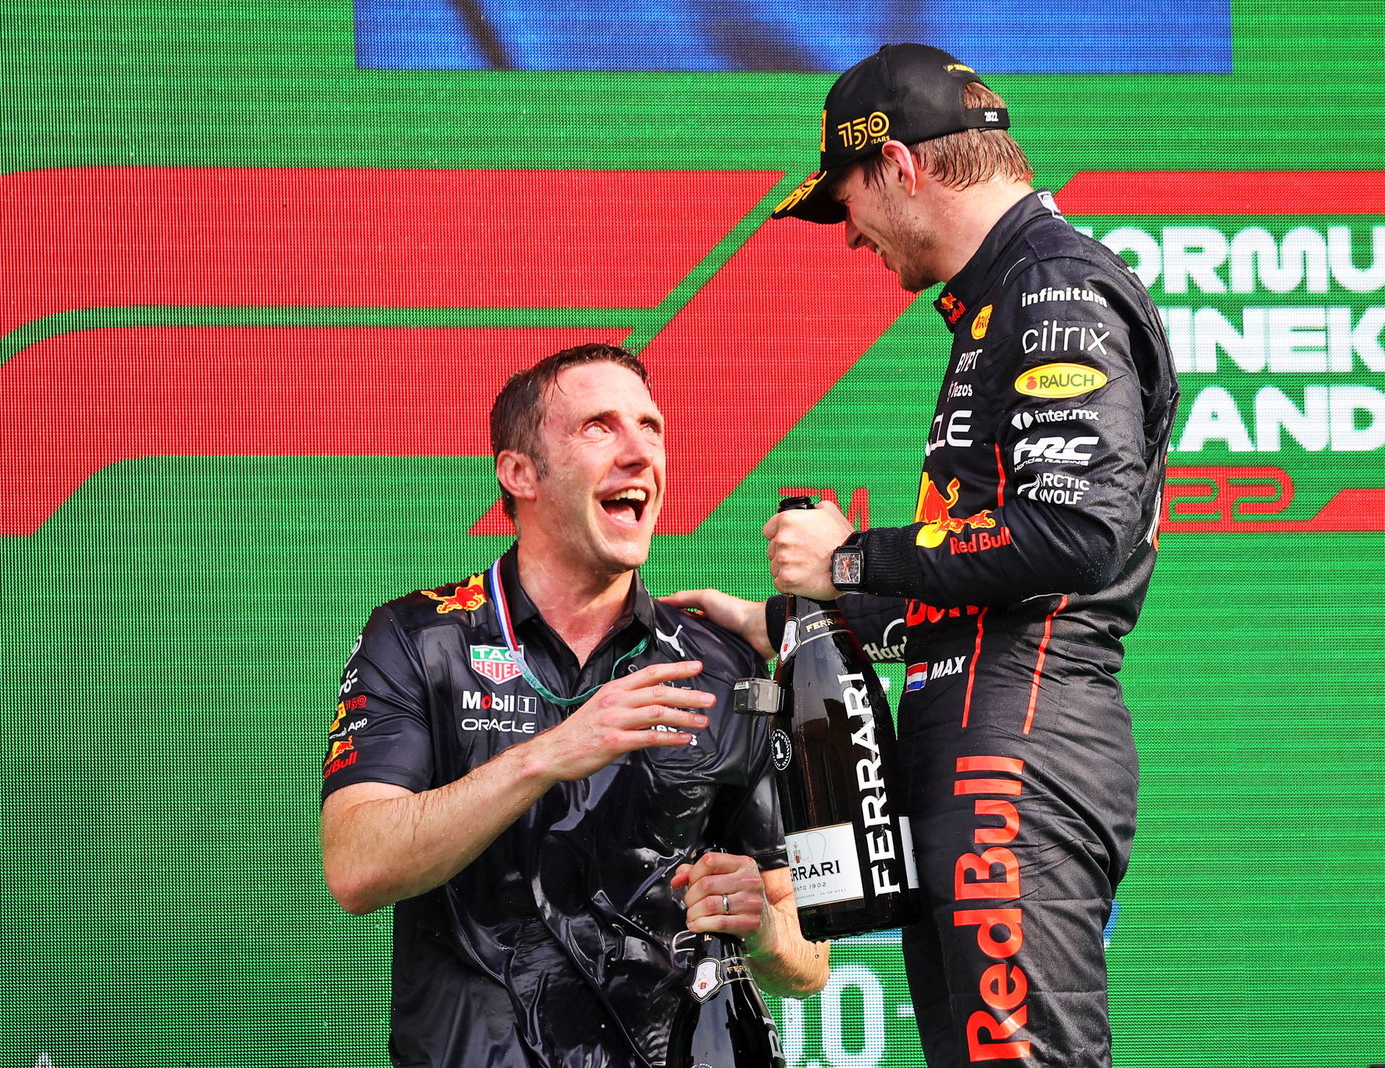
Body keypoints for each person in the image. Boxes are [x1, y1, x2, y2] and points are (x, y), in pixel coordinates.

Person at [665, 44, 1179, 1068]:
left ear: (897, 166)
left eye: (844, 200)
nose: (847, 234)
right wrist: (777, 621)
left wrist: (848, 560)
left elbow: (1075, 534)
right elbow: (979, 588)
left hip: (1016, 756)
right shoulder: (1003, 299)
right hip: (980, 749)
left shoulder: (1052, 289)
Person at [319, 342, 828, 1067]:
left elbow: (810, 961)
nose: (639, 452)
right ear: (520, 472)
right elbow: (356, 867)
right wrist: (547, 755)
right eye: (599, 427)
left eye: (650, 427)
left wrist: (766, 932)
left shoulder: (723, 666)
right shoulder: (420, 639)